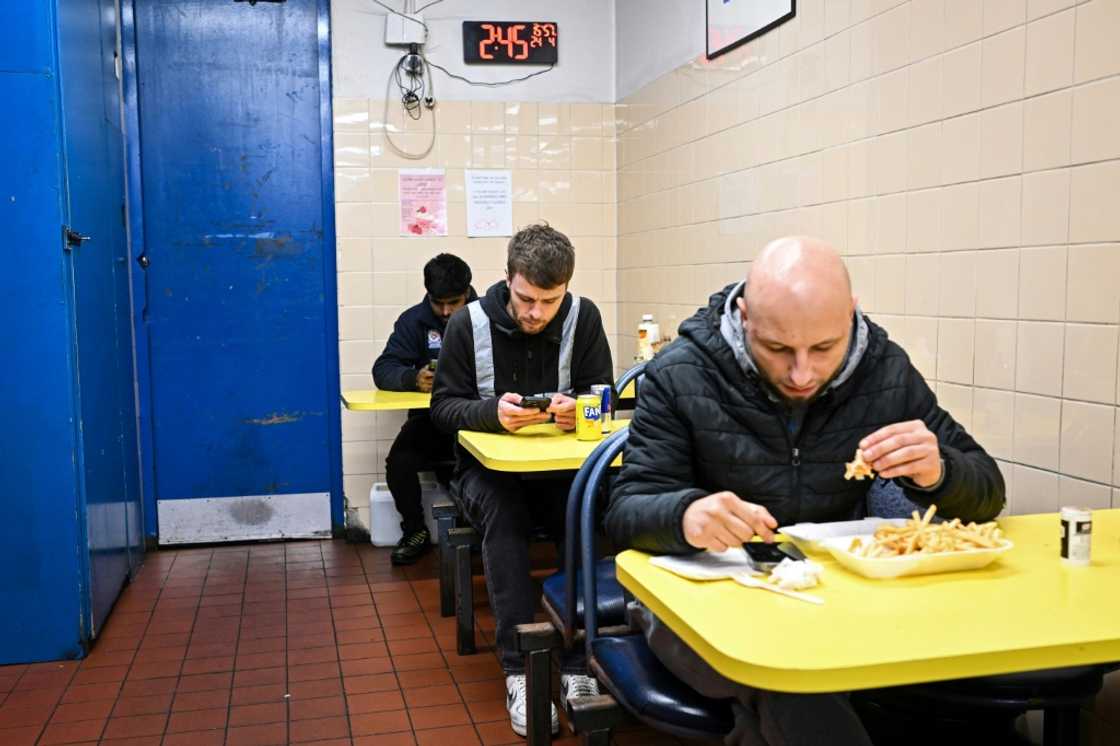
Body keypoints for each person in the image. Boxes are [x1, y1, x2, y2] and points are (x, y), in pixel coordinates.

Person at [604, 236, 1005, 746]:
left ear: (850, 315)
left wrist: (939, 472)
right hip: (692, 601)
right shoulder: (680, 373)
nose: (801, 373)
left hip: (826, 598)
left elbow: (989, 491)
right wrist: (686, 515)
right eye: (777, 349)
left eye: (823, 348)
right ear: (745, 315)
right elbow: (624, 510)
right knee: (789, 677)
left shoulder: (883, 370)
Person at [430, 224, 614, 737]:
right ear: (508, 279)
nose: (536, 313)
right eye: (526, 298)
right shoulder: (468, 323)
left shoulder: (585, 317)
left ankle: (581, 664)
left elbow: (604, 395)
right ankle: (521, 669)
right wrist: (491, 413)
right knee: (505, 518)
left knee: (587, 512)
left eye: (549, 301)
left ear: (566, 290)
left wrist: (578, 410)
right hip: (485, 474)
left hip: (559, 470)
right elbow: (441, 408)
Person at [372, 253, 476, 566]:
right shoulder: (413, 321)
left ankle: (479, 530)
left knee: (478, 469)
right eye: (437, 303)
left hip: (476, 420)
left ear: (468, 293)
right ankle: (415, 531)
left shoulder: (488, 316)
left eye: (453, 303)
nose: (445, 312)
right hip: (429, 422)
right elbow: (383, 369)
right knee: (399, 462)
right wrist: (411, 378)